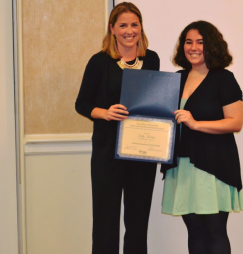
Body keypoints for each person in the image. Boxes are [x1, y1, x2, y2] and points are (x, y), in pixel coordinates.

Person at [75, 2, 159, 254]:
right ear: (112, 29)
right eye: (122, 25)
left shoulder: (151, 59)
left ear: (141, 27)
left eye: (134, 24)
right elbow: (82, 103)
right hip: (107, 153)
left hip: (142, 152)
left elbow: (154, 101)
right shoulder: (99, 62)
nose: (129, 30)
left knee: (137, 224)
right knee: (105, 223)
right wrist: (106, 113)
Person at [161, 21, 243, 254]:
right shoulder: (176, 79)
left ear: (212, 46)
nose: (193, 47)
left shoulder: (224, 79)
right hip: (183, 165)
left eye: (200, 42)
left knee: (215, 232)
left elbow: (235, 122)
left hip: (213, 166)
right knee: (195, 232)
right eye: (189, 42)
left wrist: (196, 124)